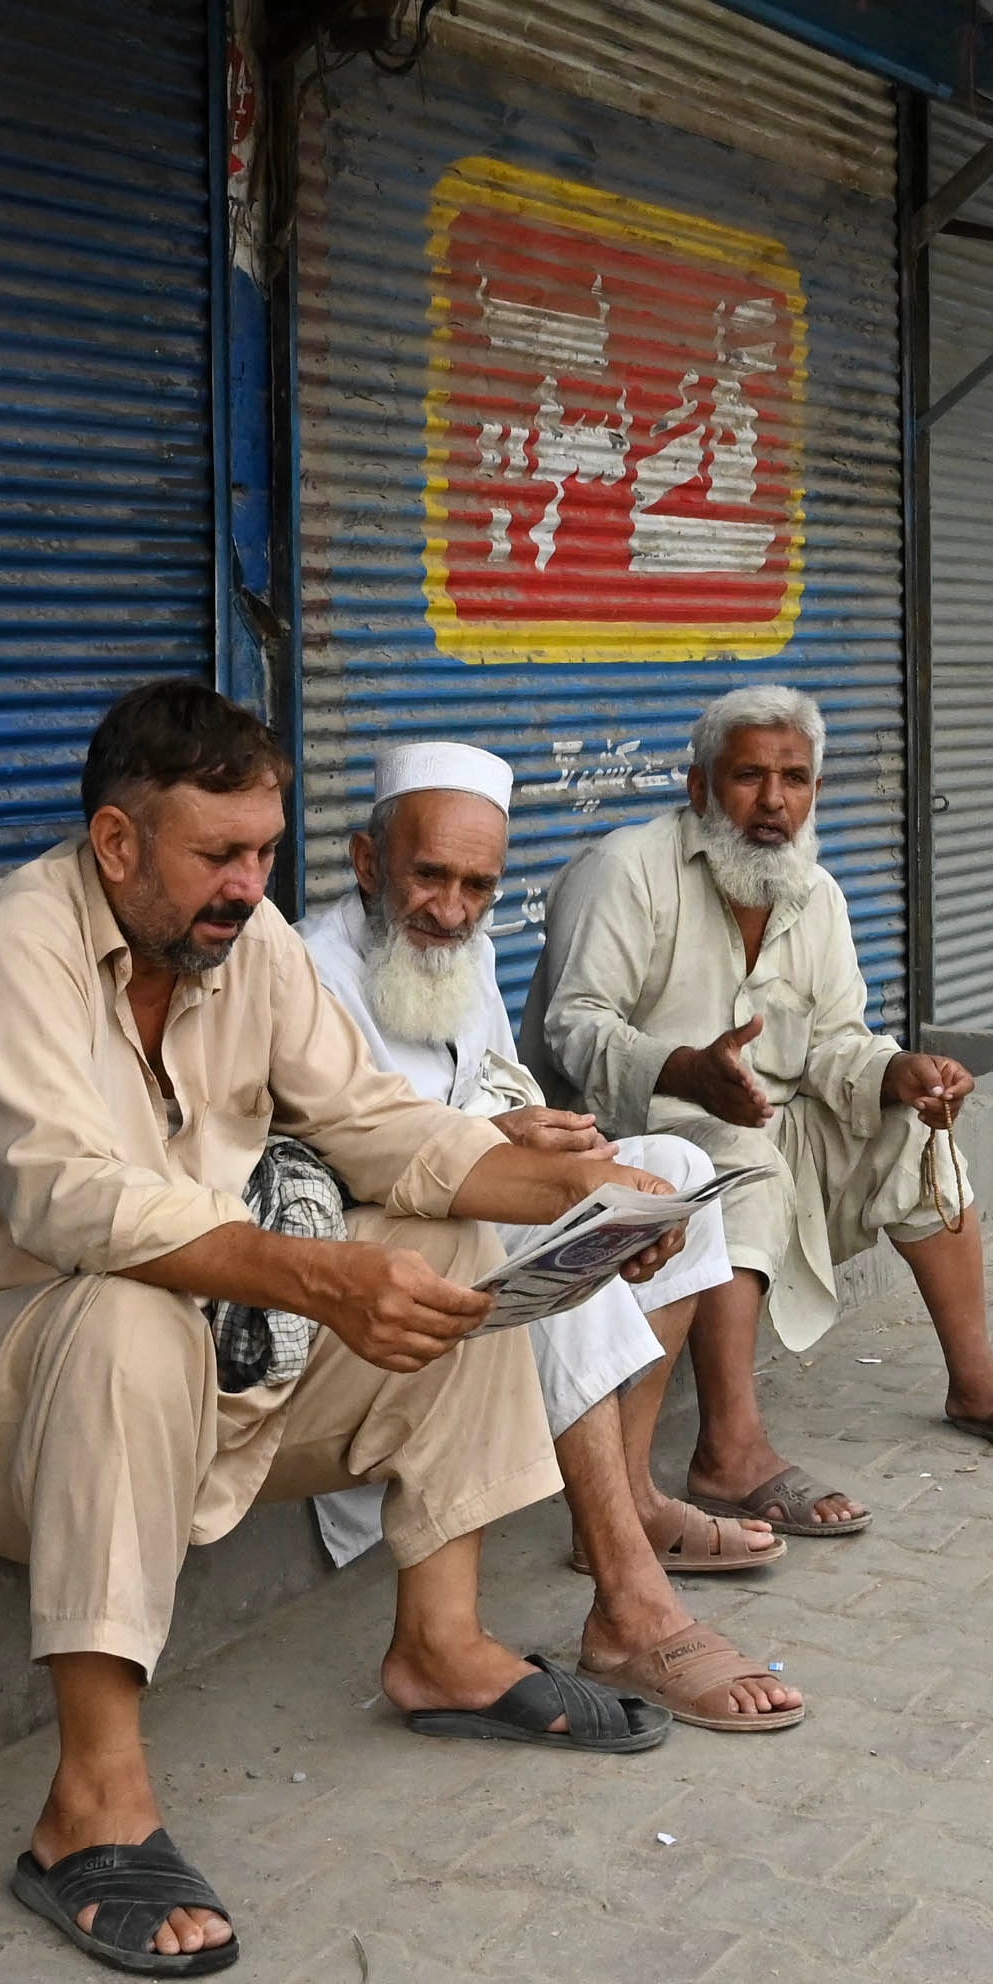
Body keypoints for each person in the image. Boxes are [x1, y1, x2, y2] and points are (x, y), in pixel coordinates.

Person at [0, 682, 692, 1981]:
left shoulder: (250, 945)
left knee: (450, 1244)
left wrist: (577, 1188)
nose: (247, 883)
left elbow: (380, 1130)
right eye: (216, 854)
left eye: (265, 852)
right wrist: (317, 1275)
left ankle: (443, 1647)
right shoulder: (15, 942)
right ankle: (88, 1812)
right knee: (128, 1316)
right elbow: (73, 1198)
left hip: (191, 1354)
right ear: (117, 844)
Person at [301, 742, 803, 1734]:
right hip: (373, 1279)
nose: (451, 910)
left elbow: (493, 1088)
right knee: (514, 1222)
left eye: (478, 886)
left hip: (467, 1220)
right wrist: (499, 1148)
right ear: (368, 863)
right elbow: (325, 1163)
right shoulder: (303, 971)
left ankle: (629, 1503)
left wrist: (555, 1139)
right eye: (429, 876)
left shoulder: (466, 953)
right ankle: (628, 1599)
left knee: (677, 1171)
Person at [522, 683, 993, 1542]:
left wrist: (900, 1071)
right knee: (734, 1158)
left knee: (911, 1131)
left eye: (795, 778)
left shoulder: (813, 893)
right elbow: (573, 1028)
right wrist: (686, 1070)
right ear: (699, 787)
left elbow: (834, 1043)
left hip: (765, 1123)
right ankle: (728, 1452)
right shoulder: (626, 870)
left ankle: (976, 1385)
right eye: (748, 776)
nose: (774, 802)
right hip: (630, 1133)